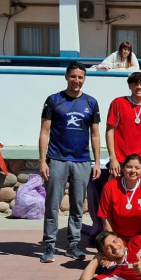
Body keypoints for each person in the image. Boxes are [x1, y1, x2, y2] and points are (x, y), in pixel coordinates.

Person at [38, 61, 101, 263]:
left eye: (80, 77)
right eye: (73, 76)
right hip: (57, 159)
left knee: (77, 206)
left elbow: (95, 135)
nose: (77, 80)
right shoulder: (54, 100)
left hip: (82, 161)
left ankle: (74, 245)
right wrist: (42, 161)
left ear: (84, 79)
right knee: (52, 204)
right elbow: (44, 132)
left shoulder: (91, 103)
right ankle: (49, 244)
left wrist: (97, 162)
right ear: (66, 76)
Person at [97, 154, 141, 240]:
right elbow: (106, 218)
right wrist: (114, 241)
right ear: (123, 169)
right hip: (117, 237)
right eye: (129, 167)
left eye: (137, 168)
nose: (133, 171)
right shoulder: (110, 186)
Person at [105, 72, 141, 178]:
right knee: (114, 192)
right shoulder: (118, 103)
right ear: (130, 86)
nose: (139, 87)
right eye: (135, 84)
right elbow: (109, 130)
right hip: (119, 160)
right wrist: (113, 158)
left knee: (136, 194)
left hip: (138, 162)